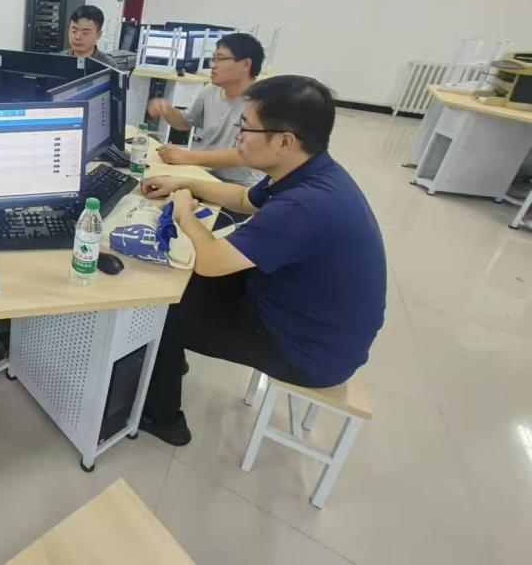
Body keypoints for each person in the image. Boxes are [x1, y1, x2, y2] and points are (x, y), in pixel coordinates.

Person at [139, 75, 385, 446]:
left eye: (246, 128)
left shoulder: (304, 206)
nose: (238, 136)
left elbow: (211, 261)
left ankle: (164, 419)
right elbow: (243, 199)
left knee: (161, 311)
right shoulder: (308, 170)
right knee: (179, 283)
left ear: (285, 142)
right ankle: (170, 362)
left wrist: (185, 213)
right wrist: (182, 184)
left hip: (308, 351)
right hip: (302, 311)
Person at [146, 33, 264, 186]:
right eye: (213, 59)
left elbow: (243, 155)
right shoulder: (211, 90)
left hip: (240, 185)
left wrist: (186, 156)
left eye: (220, 59)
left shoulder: (261, 102)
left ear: (246, 64)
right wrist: (166, 110)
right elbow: (185, 122)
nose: (212, 65)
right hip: (205, 174)